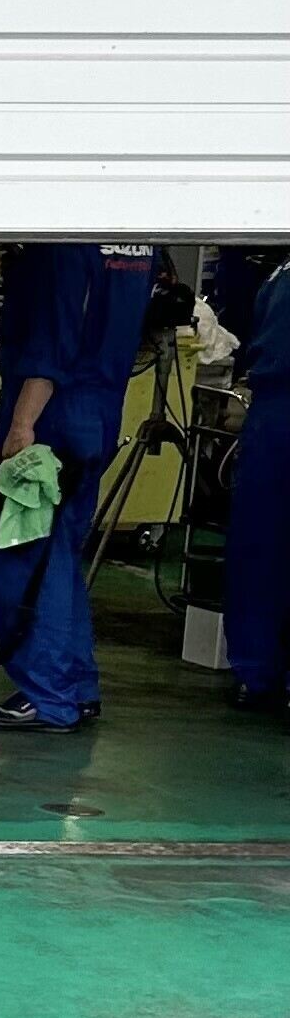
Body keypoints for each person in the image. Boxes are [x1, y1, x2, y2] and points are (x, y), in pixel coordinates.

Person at [0, 239, 157, 736]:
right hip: (99, 411)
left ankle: (46, 695)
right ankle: (77, 686)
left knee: (24, 553)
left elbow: (53, 341)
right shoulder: (141, 243)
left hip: (50, 414)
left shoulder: (62, 244)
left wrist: (21, 425)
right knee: (60, 556)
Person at [217, 251, 290, 719]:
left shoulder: (278, 273)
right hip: (271, 409)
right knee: (259, 547)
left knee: (259, 546)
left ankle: (256, 671)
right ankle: (258, 670)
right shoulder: (276, 271)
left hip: (270, 414)